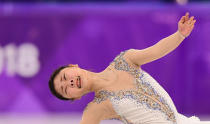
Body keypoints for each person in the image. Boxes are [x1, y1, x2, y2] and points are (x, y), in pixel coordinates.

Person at [49, 12, 209, 124]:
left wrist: (180, 35)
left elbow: (156, 50)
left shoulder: (124, 60)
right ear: (74, 98)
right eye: (65, 89)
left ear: (73, 66)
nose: (68, 83)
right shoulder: (95, 108)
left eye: (64, 77)